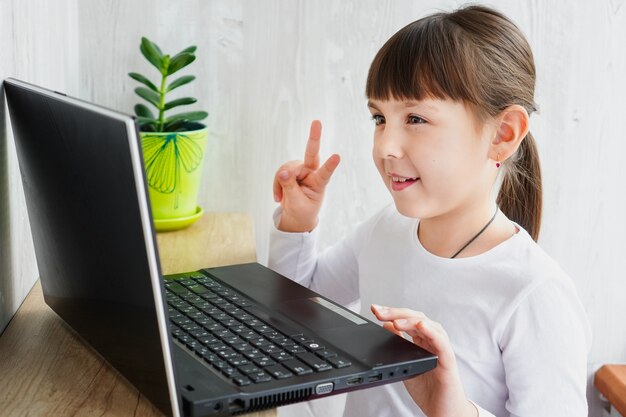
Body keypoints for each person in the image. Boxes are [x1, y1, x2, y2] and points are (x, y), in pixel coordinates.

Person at [268, 4, 591, 417]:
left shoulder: (535, 293)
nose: (385, 146)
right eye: (380, 117)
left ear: (502, 135)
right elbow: (297, 316)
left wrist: (454, 410)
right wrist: (298, 221)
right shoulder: (386, 229)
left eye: (416, 118)